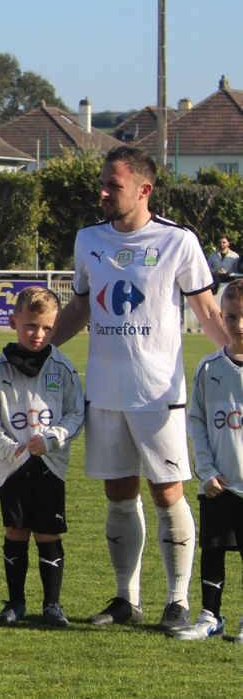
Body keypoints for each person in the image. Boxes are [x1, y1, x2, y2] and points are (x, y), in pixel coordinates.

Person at [51, 145, 229, 631]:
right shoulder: (88, 239)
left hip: (158, 395)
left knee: (169, 492)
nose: (103, 192)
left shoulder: (178, 242)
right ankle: (126, 598)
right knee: (118, 494)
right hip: (105, 392)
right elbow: (80, 308)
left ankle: (177, 600)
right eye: (103, 183)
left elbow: (208, 311)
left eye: (115, 185)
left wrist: (238, 354)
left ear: (144, 189)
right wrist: (37, 346)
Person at [0, 286, 83, 628]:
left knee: (48, 534)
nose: (38, 334)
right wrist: (11, 448)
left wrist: (52, 440)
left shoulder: (63, 368)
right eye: (30, 326)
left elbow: (76, 414)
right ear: (14, 322)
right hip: (12, 467)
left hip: (50, 465)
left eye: (47, 328)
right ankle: (15, 603)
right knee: (16, 530)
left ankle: (52, 605)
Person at [180, 278, 243, 642]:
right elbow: (198, 423)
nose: (239, 326)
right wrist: (205, 472)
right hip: (218, 484)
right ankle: (209, 616)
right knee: (214, 550)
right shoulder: (208, 368)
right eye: (232, 317)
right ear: (221, 316)